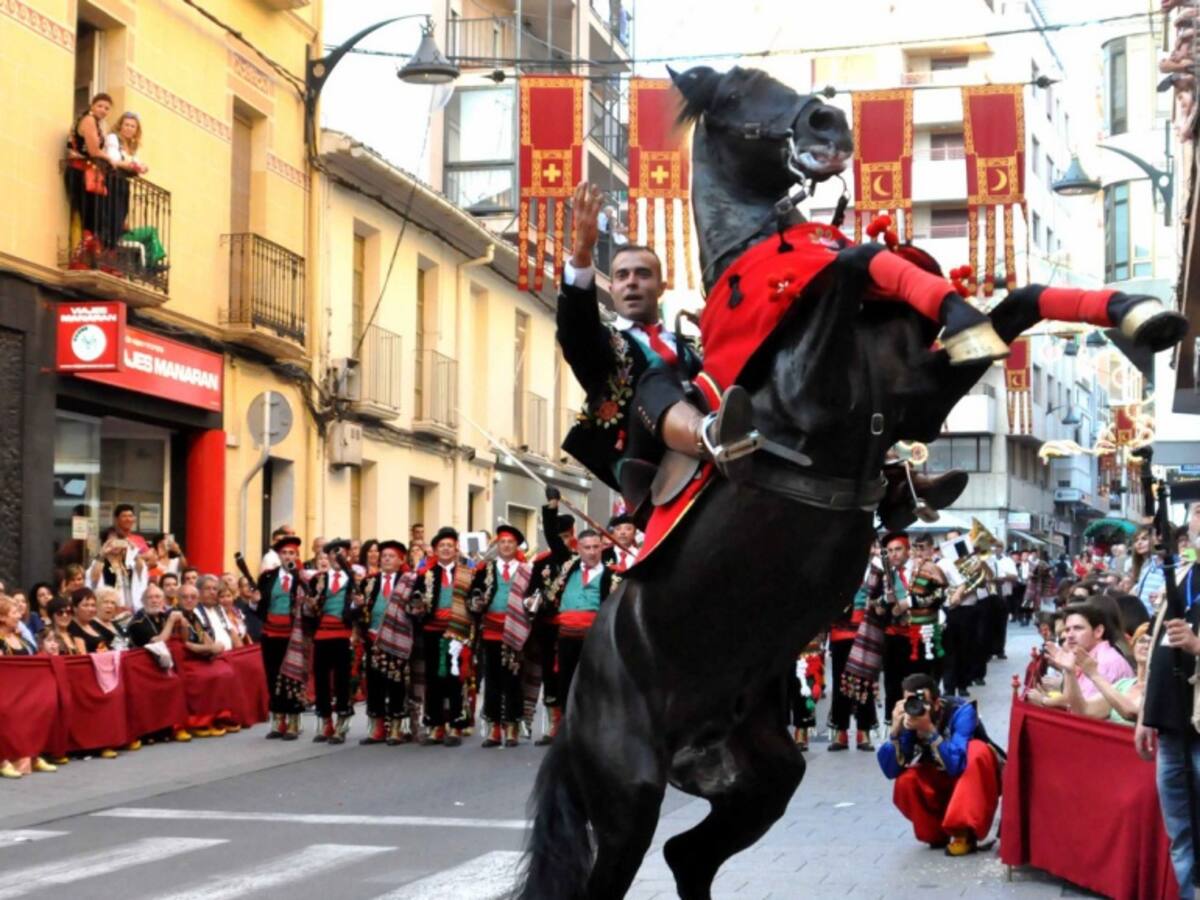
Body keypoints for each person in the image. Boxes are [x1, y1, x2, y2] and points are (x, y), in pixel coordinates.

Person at [877, 673, 1003, 856]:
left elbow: (957, 764)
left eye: (922, 701)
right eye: (909, 702)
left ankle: (963, 832)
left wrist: (930, 730)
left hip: (972, 782)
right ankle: (935, 833)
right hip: (939, 779)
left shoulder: (961, 710)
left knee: (977, 750)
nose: (916, 707)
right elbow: (890, 771)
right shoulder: (908, 720)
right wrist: (895, 732)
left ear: (937, 703)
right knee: (906, 780)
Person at [1136, 538, 1200, 895]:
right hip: (1172, 724)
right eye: (1195, 509)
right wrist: (1147, 712)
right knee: (1180, 833)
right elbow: (1160, 645)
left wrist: (1197, 646)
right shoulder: (1184, 573)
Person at [410, 528, 473, 746]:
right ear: (435, 550)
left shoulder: (466, 573)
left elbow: (474, 599)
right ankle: (435, 726)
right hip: (432, 632)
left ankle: (456, 725)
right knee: (434, 679)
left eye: (449, 545)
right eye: (441, 546)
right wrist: (417, 607)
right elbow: (414, 600)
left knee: (455, 679)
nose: (446, 549)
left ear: (456, 549)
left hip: (457, 631)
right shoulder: (426, 574)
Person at [468, 524, 527, 748]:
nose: (506, 546)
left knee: (513, 680)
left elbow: (535, 596)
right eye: (502, 542)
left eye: (510, 542)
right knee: (492, 681)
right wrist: (477, 602)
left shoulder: (526, 569)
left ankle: (512, 729)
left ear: (516, 546)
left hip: (516, 631)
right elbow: (472, 596)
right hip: (492, 631)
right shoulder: (485, 569)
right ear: (497, 545)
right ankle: (493, 729)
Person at [1028, 603, 1133, 711]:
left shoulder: (1105, 662)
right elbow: (1072, 701)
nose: (1069, 635)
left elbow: (1080, 710)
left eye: (1078, 628)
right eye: (1067, 630)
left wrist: (1043, 701)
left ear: (1098, 632)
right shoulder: (1086, 656)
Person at [253, 535, 306, 740]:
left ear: (297, 555)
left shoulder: (304, 577)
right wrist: (254, 602)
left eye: (291, 553)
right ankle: (277, 721)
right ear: (279, 556)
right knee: (273, 675)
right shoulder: (267, 577)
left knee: (292, 677)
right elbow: (259, 610)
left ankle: (293, 721)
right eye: (284, 553)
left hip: (294, 633)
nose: (287, 556)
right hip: (271, 632)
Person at [358, 540, 410, 746]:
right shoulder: (369, 582)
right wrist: (357, 605)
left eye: (391, 556)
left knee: (396, 683)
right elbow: (358, 612)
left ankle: (396, 728)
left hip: (399, 640)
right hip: (374, 638)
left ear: (401, 560)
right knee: (375, 682)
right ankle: (377, 728)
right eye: (384, 556)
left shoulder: (409, 581)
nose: (386, 559)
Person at [310, 540, 360, 744]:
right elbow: (309, 610)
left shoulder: (356, 580)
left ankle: (342, 723)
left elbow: (360, 612)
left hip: (344, 633)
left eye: (341, 553)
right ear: (328, 557)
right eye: (333, 553)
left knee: (342, 681)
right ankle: (325, 722)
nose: (337, 557)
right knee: (321, 680)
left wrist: (358, 606)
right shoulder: (318, 579)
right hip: (322, 634)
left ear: (347, 557)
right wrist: (317, 595)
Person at [827, 559, 879, 751]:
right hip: (840, 633)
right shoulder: (835, 570)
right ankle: (841, 732)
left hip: (865, 632)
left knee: (864, 682)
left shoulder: (875, 570)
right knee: (841, 683)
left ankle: (863, 732)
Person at [1131, 527, 1167, 615]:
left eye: (1144, 539)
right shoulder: (1147, 564)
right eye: (1136, 540)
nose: (1139, 543)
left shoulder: (1167, 563)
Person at [67, 587, 110, 653]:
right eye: (85, 605)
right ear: (75, 608)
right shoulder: (73, 627)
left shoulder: (94, 623)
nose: (90, 609)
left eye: (93, 605)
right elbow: (82, 655)